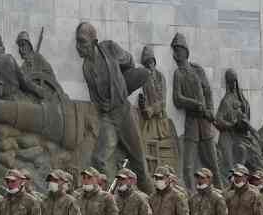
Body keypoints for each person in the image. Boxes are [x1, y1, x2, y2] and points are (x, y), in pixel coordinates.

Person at [75, 22, 148, 178]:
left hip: (124, 112)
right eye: (77, 42)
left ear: (94, 42)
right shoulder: (86, 68)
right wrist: (103, 106)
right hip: (108, 118)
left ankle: (151, 196)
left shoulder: (109, 48)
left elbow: (129, 61)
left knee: (140, 163)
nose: (78, 47)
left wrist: (120, 85)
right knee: (98, 159)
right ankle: (107, 194)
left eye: (82, 42)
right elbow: (94, 98)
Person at [170, 33, 216, 181]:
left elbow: (207, 91)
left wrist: (210, 110)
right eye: (174, 50)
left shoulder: (197, 70)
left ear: (185, 51)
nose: (176, 53)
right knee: (188, 165)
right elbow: (177, 99)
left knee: (212, 161)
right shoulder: (178, 73)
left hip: (205, 120)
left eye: (179, 49)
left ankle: (220, 189)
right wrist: (195, 104)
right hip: (191, 121)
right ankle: (190, 193)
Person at [136, 45, 179, 176]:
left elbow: (163, 102)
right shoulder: (143, 78)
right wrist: (143, 105)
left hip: (160, 120)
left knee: (163, 150)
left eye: (151, 62)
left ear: (154, 62)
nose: (149, 65)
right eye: (147, 62)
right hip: (148, 120)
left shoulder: (161, 77)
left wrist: (151, 109)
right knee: (143, 146)